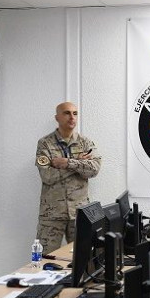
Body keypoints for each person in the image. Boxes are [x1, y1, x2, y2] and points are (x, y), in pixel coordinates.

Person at [35, 101, 101, 255]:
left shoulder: (86, 143)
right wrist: (80, 164)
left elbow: (94, 170)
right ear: (57, 117)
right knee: (45, 260)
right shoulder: (44, 144)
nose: (72, 117)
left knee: (85, 259)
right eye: (67, 113)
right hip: (51, 214)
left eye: (75, 113)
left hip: (80, 213)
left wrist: (67, 163)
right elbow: (47, 176)